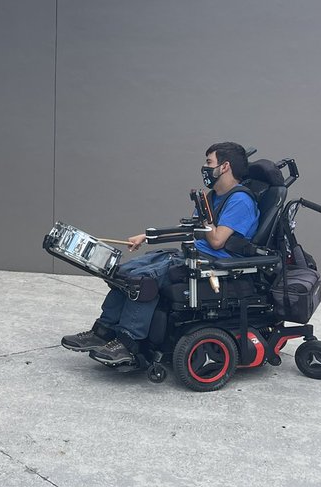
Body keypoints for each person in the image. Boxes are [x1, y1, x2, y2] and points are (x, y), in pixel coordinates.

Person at [60, 142, 259, 366]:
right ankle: (104, 331)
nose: (204, 167)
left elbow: (216, 240)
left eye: (208, 162)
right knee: (123, 273)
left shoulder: (241, 200)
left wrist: (205, 215)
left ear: (224, 167)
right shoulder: (212, 197)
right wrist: (146, 236)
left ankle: (128, 343)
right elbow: (189, 229)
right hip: (191, 256)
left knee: (142, 282)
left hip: (214, 264)